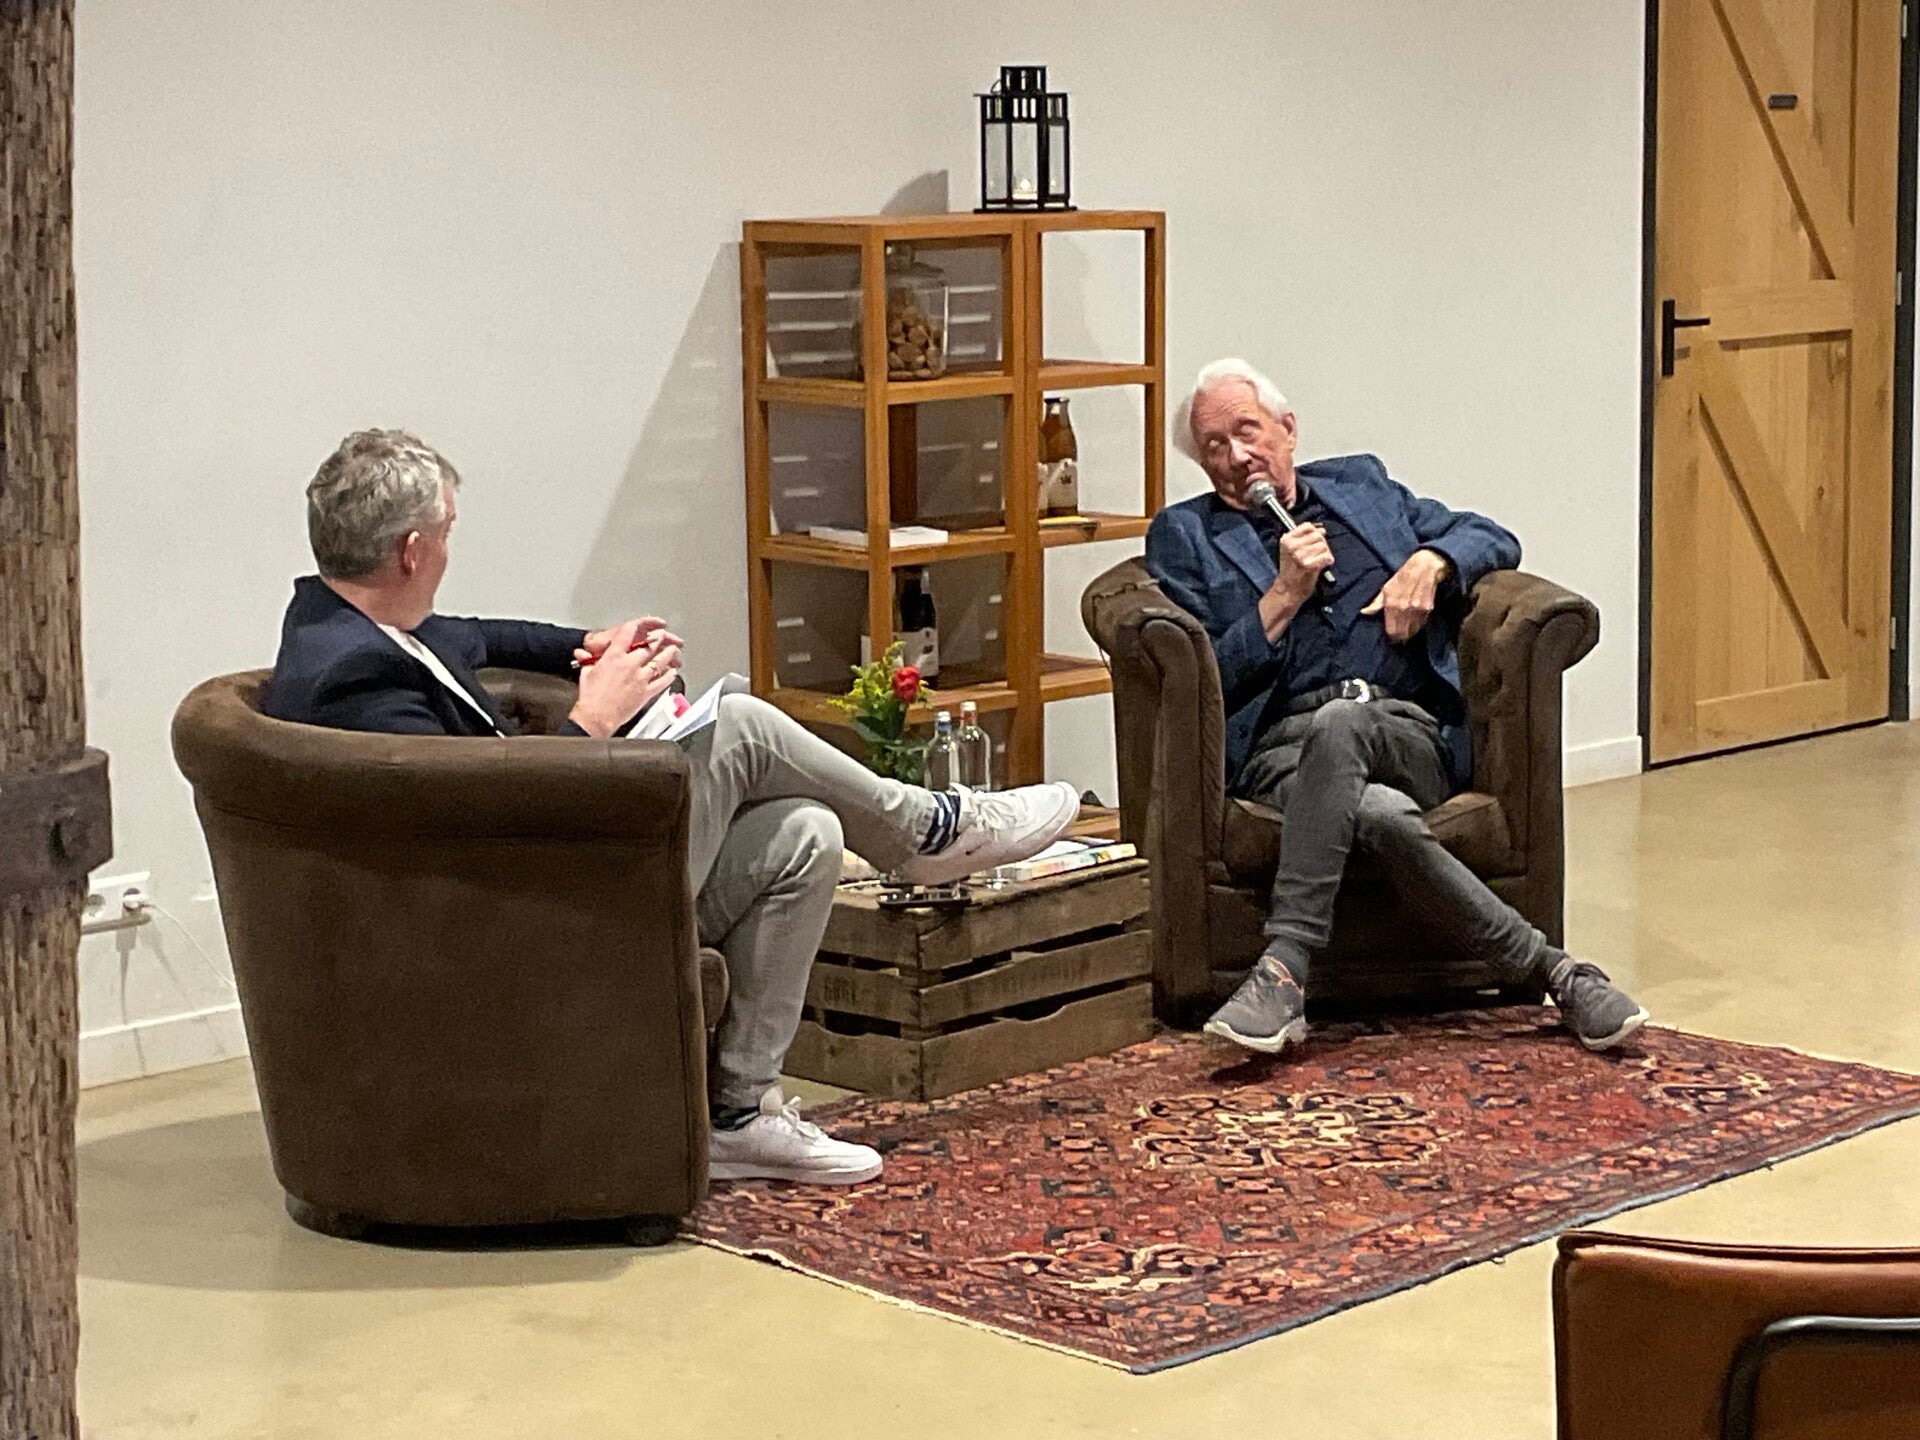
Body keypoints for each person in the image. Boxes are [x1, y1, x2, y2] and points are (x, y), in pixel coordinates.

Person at [262, 429, 1082, 1184]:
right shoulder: (354, 680)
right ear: (412, 551)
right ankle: (928, 830)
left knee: (805, 834)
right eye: (446, 531)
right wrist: (592, 721)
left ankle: (739, 1114)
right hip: (513, 930)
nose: (449, 548)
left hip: (552, 888)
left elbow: (485, 636)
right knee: (743, 729)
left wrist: (593, 644)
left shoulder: (367, 623)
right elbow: (469, 821)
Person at [1145, 360, 1647, 1057]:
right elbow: (1207, 681)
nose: (1236, 457)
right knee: (1376, 812)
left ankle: (1282, 972)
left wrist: (1431, 561)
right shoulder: (1187, 536)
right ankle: (1558, 973)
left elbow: (1491, 536)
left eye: (1247, 432)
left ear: (1287, 429)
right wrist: (1282, 596)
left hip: (1406, 731)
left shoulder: (1363, 487)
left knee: (1350, 725)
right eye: (1214, 447)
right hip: (1284, 752)